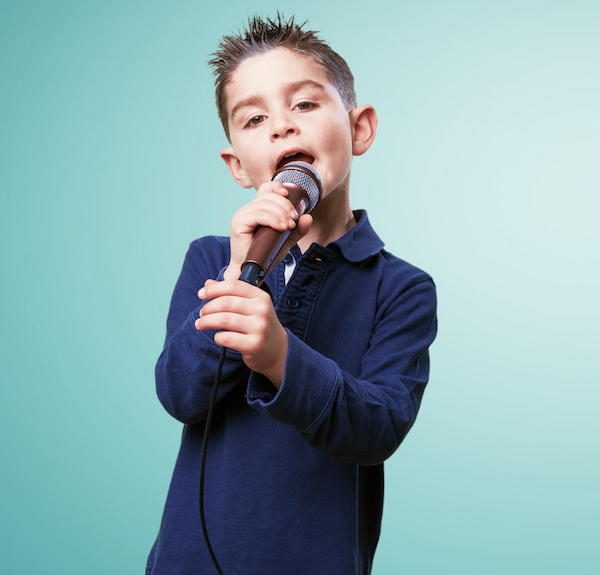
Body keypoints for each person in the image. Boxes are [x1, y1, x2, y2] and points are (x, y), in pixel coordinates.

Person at [146, 14, 437, 575]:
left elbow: (379, 427)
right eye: (254, 118)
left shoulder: (401, 287)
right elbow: (179, 394)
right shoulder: (211, 260)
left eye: (304, 105)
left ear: (359, 129)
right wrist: (238, 274)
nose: (281, 127)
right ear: (236, 164)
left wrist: (280, 357)